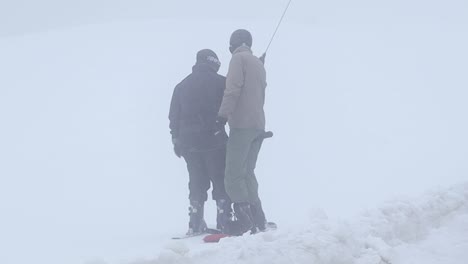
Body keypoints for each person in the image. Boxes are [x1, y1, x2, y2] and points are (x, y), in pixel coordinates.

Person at [169, 49, 232, 235]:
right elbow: (231, 104)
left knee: (196, 181)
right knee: (220, 179)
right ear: (213, 62)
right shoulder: (221, 82)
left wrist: (176, 139)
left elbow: (174, 115)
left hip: (188, 143)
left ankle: (195, 221)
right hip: (214, 140)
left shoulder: (181, 86)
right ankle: (224, 219)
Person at [216, 29, 271, 235]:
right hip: (258, 125)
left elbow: (233, 88)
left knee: (232, 175)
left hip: (242, 125)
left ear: (234, 44)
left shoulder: (238, 59)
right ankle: (258, 218)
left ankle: (245, 222)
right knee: (248, 172)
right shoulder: (258, 63)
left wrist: (222, 115)